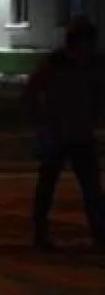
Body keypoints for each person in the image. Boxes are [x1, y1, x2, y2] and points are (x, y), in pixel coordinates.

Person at [23, 17, 105, 250]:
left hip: (81, 134)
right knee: (48, 186)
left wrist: (94, 116)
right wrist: (42, 119)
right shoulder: (55, 64)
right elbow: (31, 93)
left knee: (91, 189)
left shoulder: (93, 65)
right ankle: (40, 232)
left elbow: (99, 94)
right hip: (57, 134)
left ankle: (99, 232)